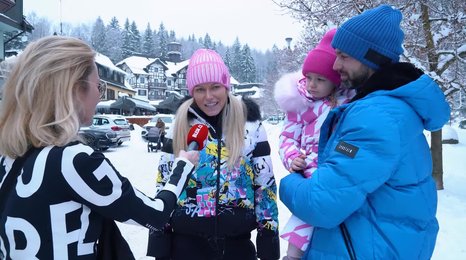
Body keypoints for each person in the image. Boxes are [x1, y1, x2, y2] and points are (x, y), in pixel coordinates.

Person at [0, 36, 199, 259]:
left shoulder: (7, 159)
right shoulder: (74, 160)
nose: (99, 95)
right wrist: (182, 165)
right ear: (75, 90)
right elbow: (156, 214)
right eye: (98, 86)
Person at [279, 4, 450, 259]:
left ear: (371, 57)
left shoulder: (375, 117)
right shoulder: (385, 108)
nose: (335, 65)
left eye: (344, 56)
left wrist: (288, 182)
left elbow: (321, 204)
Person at [147, 49, 280, 260]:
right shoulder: (179, 126)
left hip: (237, 247)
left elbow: (265, 186)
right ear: (192, 91)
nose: (208, 96)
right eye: (200, 89)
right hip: (185, 247)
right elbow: (164, 183)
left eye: (215, 87)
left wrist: (268, 244)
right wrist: (159, 244)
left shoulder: (251, 124)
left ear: (226, 86)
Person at [274, 28, 354, 260]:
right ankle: (292, 256)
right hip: (308, 168)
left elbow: (351, 143)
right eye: (309, 77)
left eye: (320, 80)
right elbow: (287, 137)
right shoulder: (300, 104)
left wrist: (342, 153)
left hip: (333, 165)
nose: (312, 85)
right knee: (304, 216)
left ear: (335, 82)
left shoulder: (345, 104)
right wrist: (291, 157)